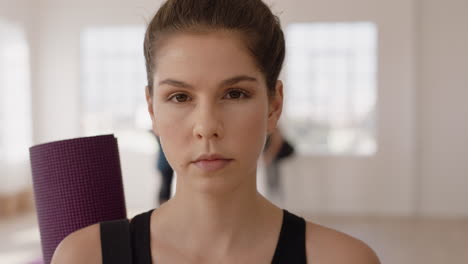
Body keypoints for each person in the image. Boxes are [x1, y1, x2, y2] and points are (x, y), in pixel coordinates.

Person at [51, 0, 381, 263]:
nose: (207, 126)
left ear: (274, 105)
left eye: (235, 94)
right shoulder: (84, 256)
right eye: (179, 97)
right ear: (152, 108)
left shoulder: (343, 259)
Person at [262, 126, 295, 204]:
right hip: (272, 155)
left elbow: (277, 139)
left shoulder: (274, 128)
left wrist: (269, 155)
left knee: (273, 181)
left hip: (277, 154)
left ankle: (275, 198)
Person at [150, 130, 175, 205]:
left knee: (165, 186)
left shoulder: (162, 137)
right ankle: (163, 205)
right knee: (165, 186)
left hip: (164, 164)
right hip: (165, 165)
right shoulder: (163, 138)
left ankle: (163, 205)